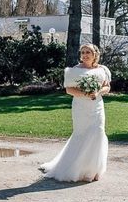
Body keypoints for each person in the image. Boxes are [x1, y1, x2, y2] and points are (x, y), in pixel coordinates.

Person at [39, 44, 111, 182]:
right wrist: (85, 93)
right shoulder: (74, 70)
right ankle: (76, 169)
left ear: (94, 54)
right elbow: (69, 90)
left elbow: (107, 87)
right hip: (81, 106)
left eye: (88, 52)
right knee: (81, 134)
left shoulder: (102, 70)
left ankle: (93, 170)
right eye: (83, 52)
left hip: (97, 106)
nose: (85, 55)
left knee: (98, 132)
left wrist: (97, 92)